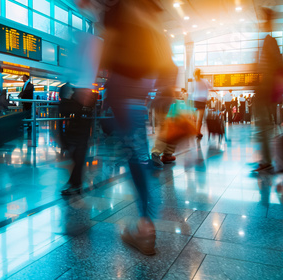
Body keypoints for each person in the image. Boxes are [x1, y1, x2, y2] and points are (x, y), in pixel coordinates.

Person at [78, 0, 175, 255]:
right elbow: (160, 42)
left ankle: (145, 227)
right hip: (143, 80)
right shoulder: (144, 9)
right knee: (133, 148)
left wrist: (90, 82)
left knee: (135, 154)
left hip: (124, 82)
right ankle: (145, 222)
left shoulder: (117, 9)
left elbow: (108, 44)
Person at [253, 8, 283, 172]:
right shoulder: (268, 41)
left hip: (265, 90)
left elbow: (278, 65)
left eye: (265, 19)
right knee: (265, 126)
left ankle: (267, 161)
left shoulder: (269, 41)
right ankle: (267, 159)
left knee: (263, 126)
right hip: (267, 90)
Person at [58, 83, 93, 195]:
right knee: (78, 158)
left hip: (79, 132)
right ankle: (75, 184)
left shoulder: (80, 97)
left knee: (78, 158)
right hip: (77, 132)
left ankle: (75, 184)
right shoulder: (77, 99)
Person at [191, 68, 210, 138]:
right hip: (202, 101)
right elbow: (211, 87)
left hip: (195, 100)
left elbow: (192, 91)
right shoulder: (204, 81)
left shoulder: (194, 81)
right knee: (200, 118)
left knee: (195, 118)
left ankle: (194, 131)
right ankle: (198, 132)